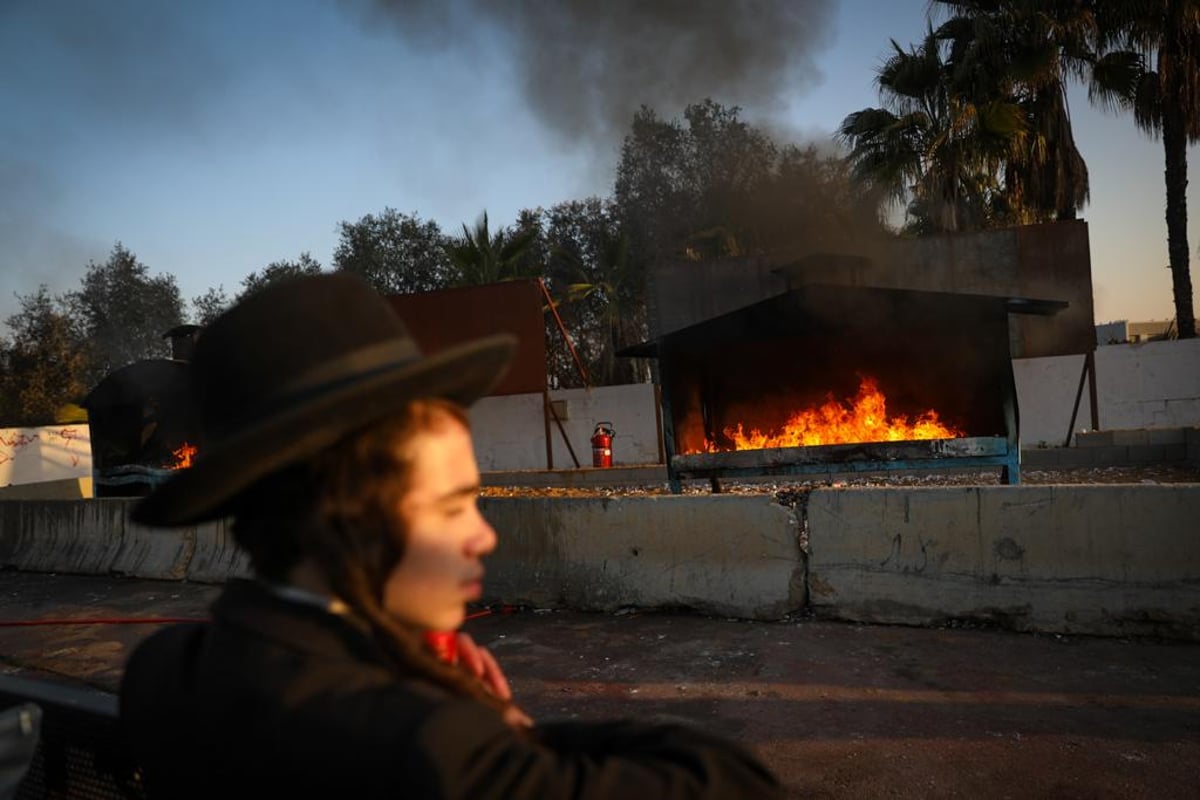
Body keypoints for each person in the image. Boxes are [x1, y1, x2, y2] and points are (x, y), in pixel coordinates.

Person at [119, 273, 780, 799]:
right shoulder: (429, 746)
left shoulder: (161, 670)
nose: (482, 538)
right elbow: (733, 782)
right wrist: (505, 730)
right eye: (454, 505)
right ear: (350, 513)